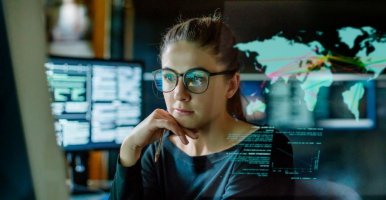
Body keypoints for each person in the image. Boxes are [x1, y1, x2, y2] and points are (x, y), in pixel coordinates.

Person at [110, 15, 294, 199]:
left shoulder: (265, 150)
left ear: (230, 85)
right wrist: (129, 147)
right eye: (169, 77)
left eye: (196, 78)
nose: (179, 94)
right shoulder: (158, 151)